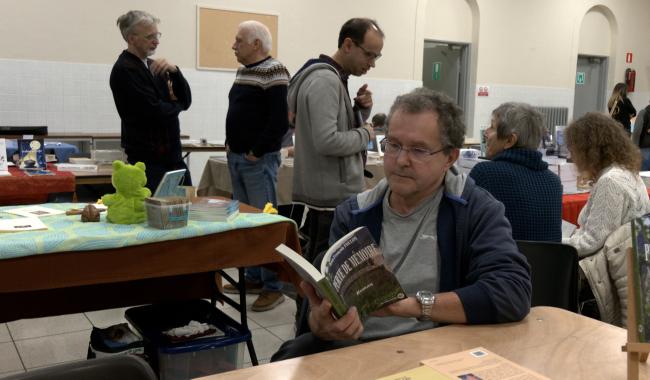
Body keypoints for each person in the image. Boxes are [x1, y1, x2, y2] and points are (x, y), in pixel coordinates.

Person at [272, 88, 531, 361]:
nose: (400, 160)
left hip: (436, 353)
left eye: (419, 150)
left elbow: (512, 291)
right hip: (356, 353)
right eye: (393, 145)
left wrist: (412, 306)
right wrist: (322, 325)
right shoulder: (354, 213)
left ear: (450, 158)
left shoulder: (474, 209)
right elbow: (320, 316)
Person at [289, 18, 381, 265]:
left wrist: (359, 110)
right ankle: (307, 307)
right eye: (369, 55)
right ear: (348, 44)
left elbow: (335, 128)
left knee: (324, 268)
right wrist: (366, 133)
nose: (371, 64)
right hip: (328, 198)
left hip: (330, 193)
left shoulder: (334, 78)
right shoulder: (325, 80)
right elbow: (327, 141)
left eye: (376, 58)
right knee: (322, 272)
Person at [222, 20, 291, 312]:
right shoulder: (244, 71)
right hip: (238, 157)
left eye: (239, 40)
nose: (233, 45)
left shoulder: (275, 71)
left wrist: (256, 151)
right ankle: (252, 276)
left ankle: (273, 287)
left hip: (257, 160)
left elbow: (278, 120)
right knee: (246, 223)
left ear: (256, 45)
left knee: (264, 223)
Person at [563, 112, 650, 326]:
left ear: (589, 150)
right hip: (628, 268)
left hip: (608, 275)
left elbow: (592, 241)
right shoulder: (627, 173)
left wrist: (558, 242)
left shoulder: (610, 182)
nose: (572, 156)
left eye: (574, 149)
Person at [110, 10, 192, 192]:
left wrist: (175, 72)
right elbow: (155, 112)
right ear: (132, 39)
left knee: (186, 207)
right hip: (148, 161)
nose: (156, 41)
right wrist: (175, 105)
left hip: (171, 156)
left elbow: (186, 100)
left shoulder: (154, 66)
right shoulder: (125, 69)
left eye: (157, 35)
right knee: (157, 215)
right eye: (150, 36)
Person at [469, 102, 562, 242]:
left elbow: (463, 230)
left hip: (498, 263)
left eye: (492, 127)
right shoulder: (554, 182)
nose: (486, 133)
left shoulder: (485, 174)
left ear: (510, 140)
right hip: (545, 264)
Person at [632, 100, 650, 170]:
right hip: (645, 149)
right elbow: (637, 132)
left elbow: (636, 132)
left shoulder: (643, 113)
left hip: (645, 149)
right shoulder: (644, 113)